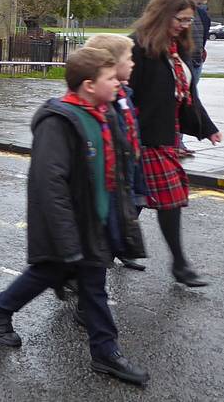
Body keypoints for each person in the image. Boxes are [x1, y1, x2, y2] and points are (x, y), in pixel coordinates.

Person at [0, 47, 149, 386]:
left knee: (93, 288)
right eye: (109, 78)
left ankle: (104, 352)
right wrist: (66, 237)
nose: (117, 82)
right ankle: (0, 309)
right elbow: (50, 183)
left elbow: (112, 171)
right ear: (89, 85)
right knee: (47, 273)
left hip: (93, 223)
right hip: (69, 226)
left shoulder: (104, 114)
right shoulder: (59, 123)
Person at [129, 0, 221, 287]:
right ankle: (84, 273)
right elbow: (124, 97)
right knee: (142, 202)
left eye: (189, 20)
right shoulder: (137, 47)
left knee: (156, 201)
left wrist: (207, 128)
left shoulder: (177, 49)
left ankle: (178, 265)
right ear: (162, 14)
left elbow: (188, 95)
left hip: (164, 138)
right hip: (138, 141)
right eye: (180, 19)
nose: (185, 25)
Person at [84, 33, 150, 271]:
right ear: (111, 63)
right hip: (110, 177)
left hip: (128, 168)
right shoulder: (104, 99)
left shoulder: (123, 95)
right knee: (100, 228)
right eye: (129, 58)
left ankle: (117, 250)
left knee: (127, 210)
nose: (133, 63)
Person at [181, 0, 211, 87]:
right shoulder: (175, 12)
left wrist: (201, 53)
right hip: (182, 62)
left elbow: (203, 37)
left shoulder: (203, 14)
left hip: (197, 62)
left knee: (192, 94)